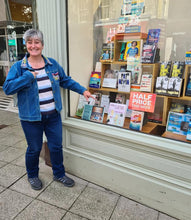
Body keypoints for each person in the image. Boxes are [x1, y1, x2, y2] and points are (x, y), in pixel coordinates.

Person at [3, 29, 93, 190]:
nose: (33, 45)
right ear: (26, 45)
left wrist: (83, 90)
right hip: (31, 118)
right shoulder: (19, 67)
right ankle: (32, 175)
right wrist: (28, 77)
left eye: (36, 42)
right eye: (30, 42)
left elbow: (65, 80)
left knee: (56, 147)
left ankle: (59, 174)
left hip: (53, 116)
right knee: (34, 148)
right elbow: (8, 88)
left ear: (42, 45)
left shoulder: (52, 64)